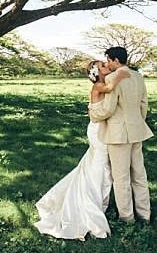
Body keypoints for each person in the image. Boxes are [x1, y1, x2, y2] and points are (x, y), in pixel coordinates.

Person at [34, 60, 114, 240]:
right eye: (103, 66)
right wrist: (123, 75)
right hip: (98, 131)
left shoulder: (102, 84)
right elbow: (110, 90)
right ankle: (90, 205)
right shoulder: (99, 86)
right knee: (99, 166)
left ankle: (94, 199)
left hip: (101, 129)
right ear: (97, 73)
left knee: (95, 165)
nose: (106, 67)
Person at [89, 46, 153, 224]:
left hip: (118, 134)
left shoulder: (111, 78)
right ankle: (145, 214)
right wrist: (137, 121)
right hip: (137, 129)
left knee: (121, 177)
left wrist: (93, 114)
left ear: (116, 61)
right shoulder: (138, 76)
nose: (108, 64)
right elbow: (143, 104)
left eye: (108, 60)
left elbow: (109, 108)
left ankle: (127, 218)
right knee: (139, 174)